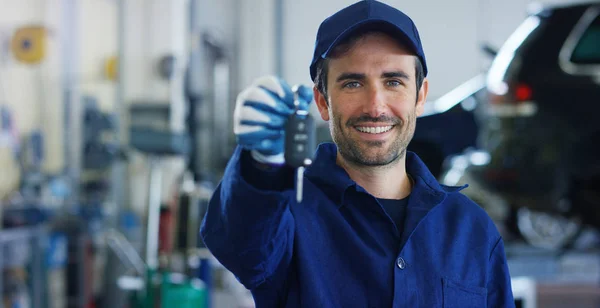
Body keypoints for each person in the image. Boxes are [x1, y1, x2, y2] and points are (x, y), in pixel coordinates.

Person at [200, 0, 515, 307]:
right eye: (352, 83)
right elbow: (239, 246)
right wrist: (261, 164)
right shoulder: (288, 215)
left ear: (420, 97)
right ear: (323, 102)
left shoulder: (471, 229)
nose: (375, 107)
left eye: (393, 81)